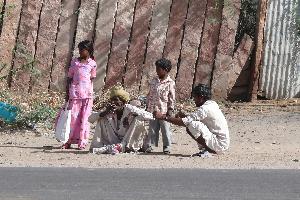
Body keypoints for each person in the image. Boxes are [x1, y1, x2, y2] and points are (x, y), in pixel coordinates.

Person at [153, 84, 230, 156]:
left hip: (219, 144)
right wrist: (183, 116)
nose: (194, 100)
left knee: (192, 125)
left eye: (195, 97)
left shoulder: (205, 109)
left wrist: (163, 117)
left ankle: (208, 151)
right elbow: (193, 118)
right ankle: (208, 150)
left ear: (201, 97)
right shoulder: (212, 104)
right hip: (221, 143)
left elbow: (185, 122)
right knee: (192, 123)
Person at [89, 86, 154, 154]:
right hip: (114, 140)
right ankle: (105, 146)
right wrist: (103, 113)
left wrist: (134, 114)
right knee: (101, 118)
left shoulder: (130, 108)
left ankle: (126, 147)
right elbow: (90, 119)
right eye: (112, 100)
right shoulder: (109, 110)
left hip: (129, 140)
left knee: (139, 119)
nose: (114, 102)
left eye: (117, 100)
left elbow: (150, 116)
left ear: (123, 102)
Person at [62, 40, 97, 150]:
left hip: (87, 96)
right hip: (75, 95)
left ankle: (82, 142)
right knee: (72, 119)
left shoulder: (92, 64)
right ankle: (67, 141)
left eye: (83, 50)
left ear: (89, 50)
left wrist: (89, 93)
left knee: (84, 120)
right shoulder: (74, 63)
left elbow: (91, 79)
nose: (80, 52)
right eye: (79, 49)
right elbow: (69, 78)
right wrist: (67, 93)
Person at [143, 58, 175, 154]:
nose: (157, 71)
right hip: (153, 109)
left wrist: (170, 109)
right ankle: (151, 145)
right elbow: (150, 94)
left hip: (164, 110)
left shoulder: (170, 83)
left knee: (165, 129)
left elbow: (172, 98)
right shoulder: (154, 81)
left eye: (159, 69)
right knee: (152, 128)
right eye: (156, 68)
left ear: (166, 70)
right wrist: (147, 105)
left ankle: (167, 147)